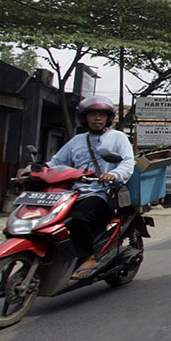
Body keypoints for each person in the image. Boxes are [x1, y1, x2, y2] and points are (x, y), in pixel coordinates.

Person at [46, 95, 135, 280]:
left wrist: (114, 174)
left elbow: (127, 163)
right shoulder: (77, 141)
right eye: (93, 114)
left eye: (102, 115)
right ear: (84, 118)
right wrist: (32, 169)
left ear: (109, 118)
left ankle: (89, 258)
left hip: (102, 194)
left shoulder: (118, 138)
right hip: (72, 194)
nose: (97, 119)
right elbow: (55, 162)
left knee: (79, 219)